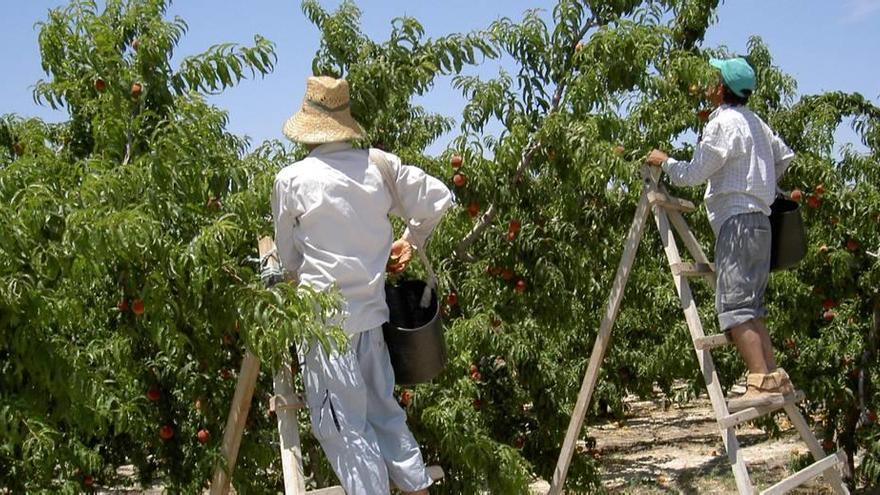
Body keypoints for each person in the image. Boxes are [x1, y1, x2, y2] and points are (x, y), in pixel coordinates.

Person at [272, 76, 452, 494]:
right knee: (385, 417)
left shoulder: (292, 180)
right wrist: (412, 239)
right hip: (372, 321)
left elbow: (288, 263)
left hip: (324, 329)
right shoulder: (378, 165)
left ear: (307, 127)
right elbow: (438, 197)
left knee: (344, 431)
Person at [646, 57, 797, 412]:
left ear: (721, 88)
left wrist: (664, 161)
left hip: (737, 222)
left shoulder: (723, 123)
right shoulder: (756, 123)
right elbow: (784, 157)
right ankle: (774, 377)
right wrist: (762, 183)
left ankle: (758, 381)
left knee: (734, 308)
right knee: (751, 306)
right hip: (761, 222)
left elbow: (694, 173)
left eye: (714, 80)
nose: (709, 85)